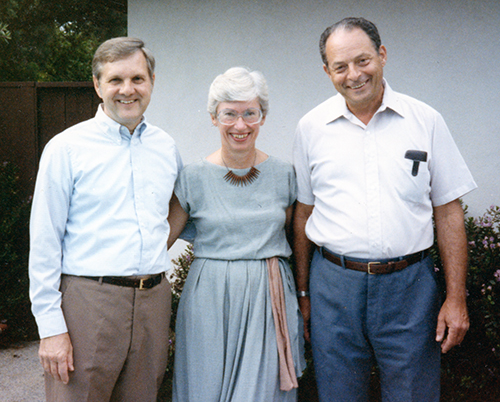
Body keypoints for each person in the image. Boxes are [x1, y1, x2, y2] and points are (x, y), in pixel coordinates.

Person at [292, 17, 477, 401]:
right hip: (334, 288)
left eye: (363, 61)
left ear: (382, 55)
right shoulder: (311, 128)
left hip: (409, 289)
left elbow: (448, 211)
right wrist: (305, 292)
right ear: (327, 71)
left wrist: (455, 297)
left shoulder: (425, 121)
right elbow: (303, 214)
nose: (353, 75)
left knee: (413, 395)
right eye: (340, 67)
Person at [29, 37, 182, 401]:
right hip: (87, 302)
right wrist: (51, 328)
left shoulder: (166, 147)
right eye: (115, 80)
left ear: (152, 82)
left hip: (152, 304)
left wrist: (151, 250)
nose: (127, 90)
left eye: (137, 79)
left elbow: (180, 208)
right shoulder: (67, 148)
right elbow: (45, 240)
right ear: (97, 85)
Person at [167, 67, 305, 402]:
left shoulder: (285, 175)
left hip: (268, 295)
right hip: (208, 299)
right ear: (214, 117)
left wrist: (302, 295)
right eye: (229, 114)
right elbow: (159, 240)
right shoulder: (192, 177)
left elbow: (293, 238)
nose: (240, 125)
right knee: (205, 389)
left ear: (263, 117)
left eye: (249, 113)